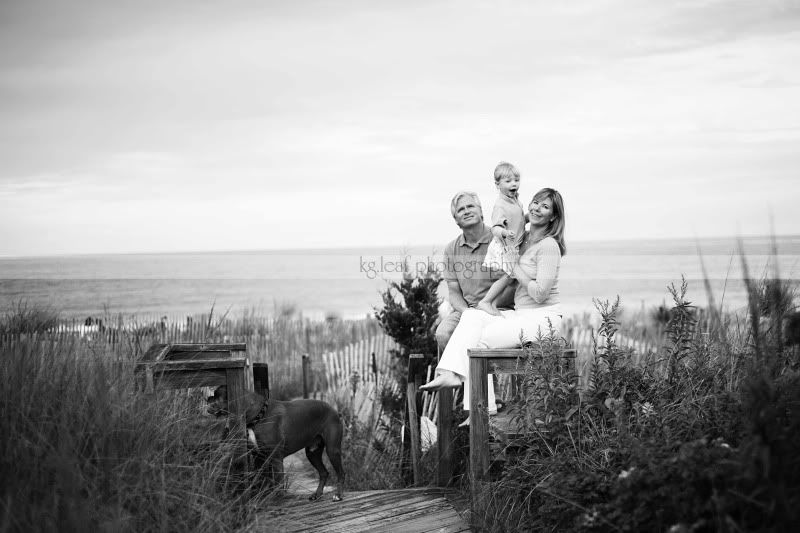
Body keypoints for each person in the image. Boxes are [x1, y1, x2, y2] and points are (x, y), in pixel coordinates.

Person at [421, 188, 566, 423]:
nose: (538, 208)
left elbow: (540, 294)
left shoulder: (549, 246)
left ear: (553, 217)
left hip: (542, 318)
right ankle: (448, 373)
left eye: (545, 207)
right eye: (535, 203)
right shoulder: (525, 240)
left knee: (477, 341)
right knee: (471, 318)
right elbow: (515, 217)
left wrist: (513, 267)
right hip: (522, 315)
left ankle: (482, 408)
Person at [435, 191, 513, 352]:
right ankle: (462, 377)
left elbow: (512, 285)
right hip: (468, 311)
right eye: (461, 209)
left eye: (471, 206)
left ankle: (475, 376)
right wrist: (468, 313)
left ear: (481, 211)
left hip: (499, 309)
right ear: (456, 219)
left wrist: (487, 308)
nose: (467, 211)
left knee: (485, 337)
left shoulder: (499, 239)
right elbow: (454, 293)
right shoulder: (451, 249)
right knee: (443, 334)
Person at [478, 161, 528, 317]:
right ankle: (485, 302)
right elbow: (495, 228)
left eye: (516, 180)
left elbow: (518, 222)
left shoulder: (515, 201)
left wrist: (529, 218)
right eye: (508, 181)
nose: (514, 184)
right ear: (497, 184)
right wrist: (504, 233)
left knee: (510, 276)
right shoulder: (500, 205)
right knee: (507, 276)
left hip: (512, 246)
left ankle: (492, 303)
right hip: (503, 245)